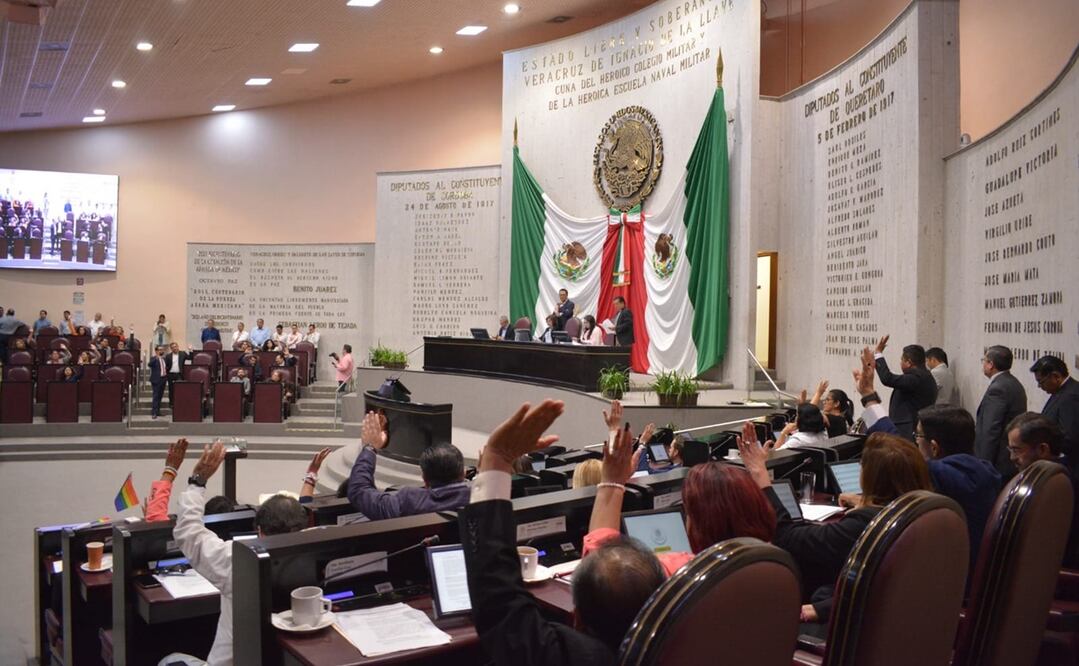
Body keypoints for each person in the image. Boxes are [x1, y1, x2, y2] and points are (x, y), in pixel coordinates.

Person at [460, 400, 667, 664]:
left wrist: (495, 459)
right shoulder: (690, 642)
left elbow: (500, 607)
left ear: (577, 618)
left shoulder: (580, 658)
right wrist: (613, 481)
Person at [739, 423, 933, 623]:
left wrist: (760, 475)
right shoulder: (920, 512)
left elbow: (787, 537)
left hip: (852, 626)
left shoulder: (865, 524)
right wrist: (866, 501)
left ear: (872, 479)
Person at [584, 414, 776, 576]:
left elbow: (602, 569)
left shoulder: (680, 570)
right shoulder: (774, 564)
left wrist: (612, 482)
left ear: (698, 525)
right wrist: (759, 470)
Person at [173, 441, 308, 665]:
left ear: (260, 531)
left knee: (169, 659)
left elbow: (189, 533)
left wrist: (197, 482)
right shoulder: (316, 554)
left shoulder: (240, 561)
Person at [915, 405, 1001, 571]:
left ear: (934, 447)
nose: (916, 441)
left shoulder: (936, 473)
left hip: (953, 574)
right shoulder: (987, 470)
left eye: (918, 435)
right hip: (983, 570)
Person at [347, 411, 470, 519]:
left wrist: (370, 447)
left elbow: (359, 491)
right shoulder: (477, 499)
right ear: (463, 473)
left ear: (425, 479)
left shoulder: (408, 502)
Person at [1007, 413, 1079, 567]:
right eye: (1010, 450)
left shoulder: (1057, 487)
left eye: (1016, 450)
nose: (1012, 458)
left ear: (1042, 449)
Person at [975, 345, 1028, 476]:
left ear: (990, 364)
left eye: (984, 360)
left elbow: (991, 429)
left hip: (998, 460)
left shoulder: (998, 389)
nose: (983, 364)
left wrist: (984, 464)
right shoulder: (1012, 382)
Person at [872, 335, 938, 440]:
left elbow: (887, 378)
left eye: (902, 360)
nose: (900, 362)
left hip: (907, 432)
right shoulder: (926, 376)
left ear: (908, 362)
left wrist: (878, 354)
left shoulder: (916, 378)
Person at [1030, 355, 1079, 464]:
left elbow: (1069, 438)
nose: (1039, 386)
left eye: (1041, 382)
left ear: (1056, 376)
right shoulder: (1060, 391)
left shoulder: (1070, 397)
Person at [165, 342, 191, 406]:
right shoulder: (168, 356)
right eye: (173, 347)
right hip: (171, 375)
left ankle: (179, 403)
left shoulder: (183, 354)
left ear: (178, 347)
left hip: (179, 375)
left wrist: (190, 350)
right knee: (171, 390)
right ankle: (171, 404)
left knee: (179, 389)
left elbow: (190, 358)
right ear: (171, 349)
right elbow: (166, 366)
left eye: (175, 346)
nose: (175, 348)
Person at [148, 345, 169, 420]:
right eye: (160, 350)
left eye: (162, 350)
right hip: (156, 379)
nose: (161, 351)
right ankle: (154, 413)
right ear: (156, 351)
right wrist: (156, 358)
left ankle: (158, 411)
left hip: (163, 379)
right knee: (156, 396)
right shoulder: (153, 358)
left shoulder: (164, 359)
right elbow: (149, 364)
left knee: (160, 396)